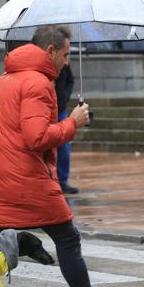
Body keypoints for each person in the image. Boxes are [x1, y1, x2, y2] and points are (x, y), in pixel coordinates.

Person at [0, 25, 141, 287]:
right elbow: (37, 138)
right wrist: (73, 122)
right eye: (65, 54)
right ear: (49, 51)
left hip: (1, 182)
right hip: (29, 182)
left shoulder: (5, 80)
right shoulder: (38, 83)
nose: (67, 61)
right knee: (68, 238)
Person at [55, 64, 78, 194]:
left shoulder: (63, 64)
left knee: (64, 146)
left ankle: (62, 181)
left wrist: (65, 95)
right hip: (46, 109)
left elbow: (70, 80)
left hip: (61, 108)